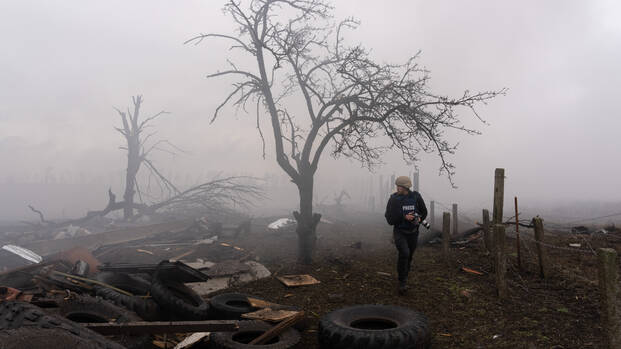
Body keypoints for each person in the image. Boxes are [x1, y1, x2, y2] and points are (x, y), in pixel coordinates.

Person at [384, 175, 427, 295]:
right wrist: (404, 217)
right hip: (399, 232)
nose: (397, 188)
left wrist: (418, 219)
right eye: (397, 186)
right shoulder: (393, 199)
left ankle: (404, 276)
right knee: (404, 253)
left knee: (409, 256)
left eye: (400, 186)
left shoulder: (416, 197)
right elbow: (389, 219)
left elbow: (424, 212)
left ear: (406, 187)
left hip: (413, 232)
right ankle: (402, 282)